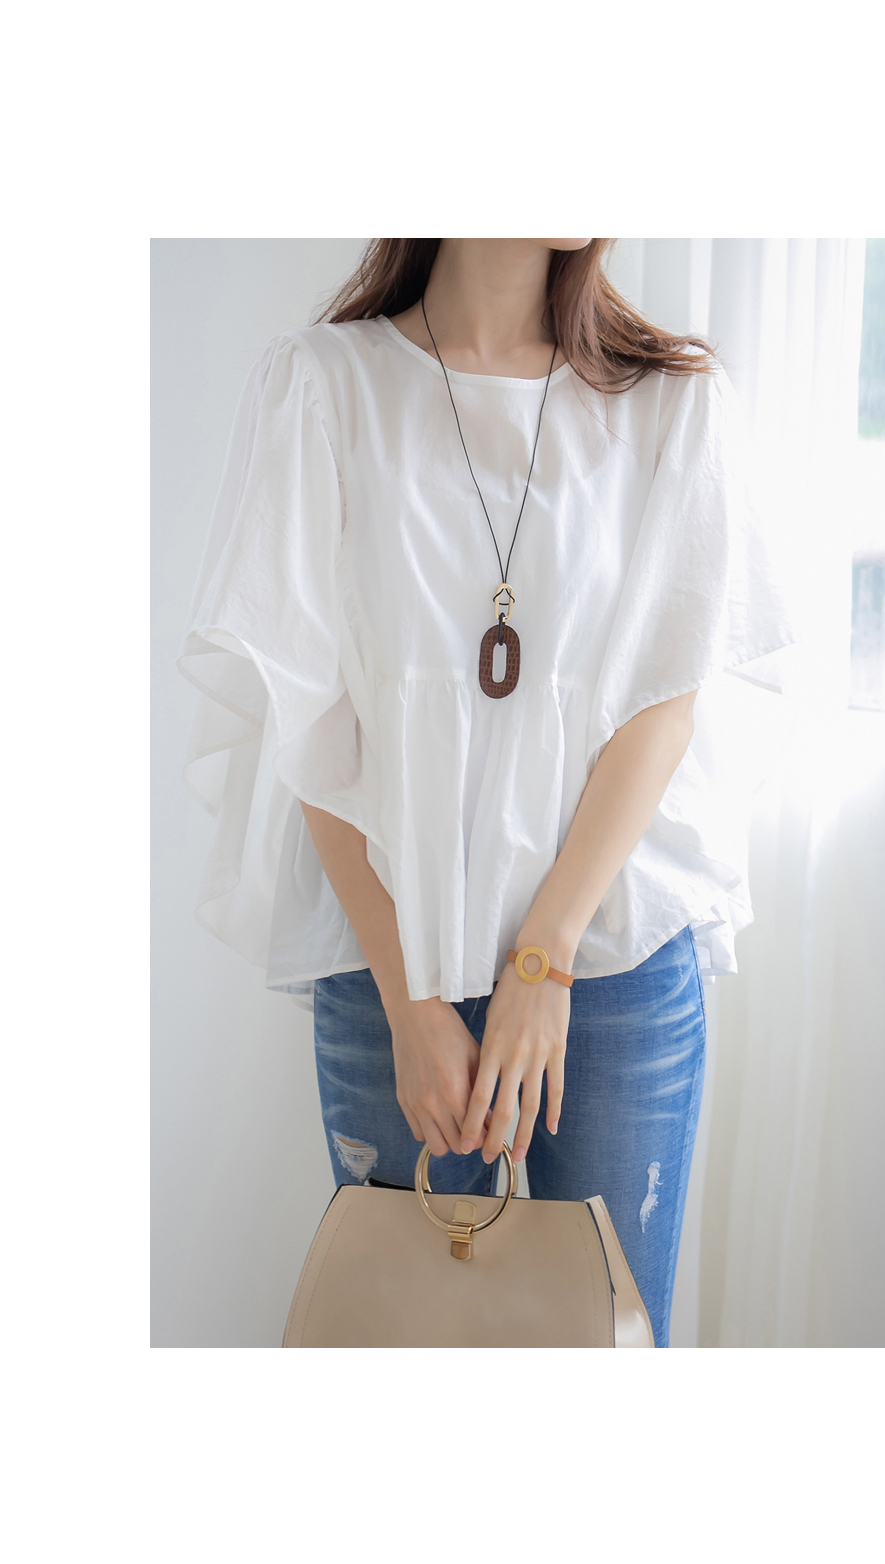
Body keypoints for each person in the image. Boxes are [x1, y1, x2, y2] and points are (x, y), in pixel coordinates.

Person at [180, 238, 795, 1347]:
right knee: (404, 1351)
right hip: (389, 969)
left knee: (607, 1348)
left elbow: (665, 705)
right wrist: (411, 999)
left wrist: (543, 958)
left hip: (610, 963)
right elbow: (312, 718)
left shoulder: (671, 405)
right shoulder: (323, 387)